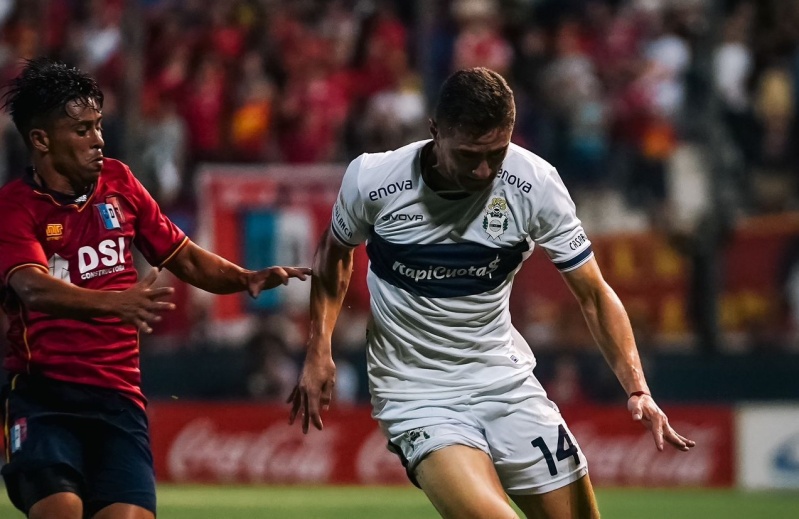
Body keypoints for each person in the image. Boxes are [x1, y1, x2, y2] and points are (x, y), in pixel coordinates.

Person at [289, 67, 695, 519]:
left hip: (506, 383)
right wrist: (318, 348)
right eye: (468, 155)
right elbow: (334, 253)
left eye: (497, 153)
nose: (484, 170)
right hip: (416, 393)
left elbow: (594, 294)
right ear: (435, 131)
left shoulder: (535, 184)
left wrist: (638, 388)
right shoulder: (373, 179)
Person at [0, 57, 311, 519]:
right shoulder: (15, 207)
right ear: (41, 140)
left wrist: (243, 277)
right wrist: (116, 304)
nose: (98, 140)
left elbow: (183, 255)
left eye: (98, 126)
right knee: (61, 509)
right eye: (82, 130)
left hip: (118, 399)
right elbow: (32, 288)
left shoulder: (120, 182)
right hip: (44, 397)